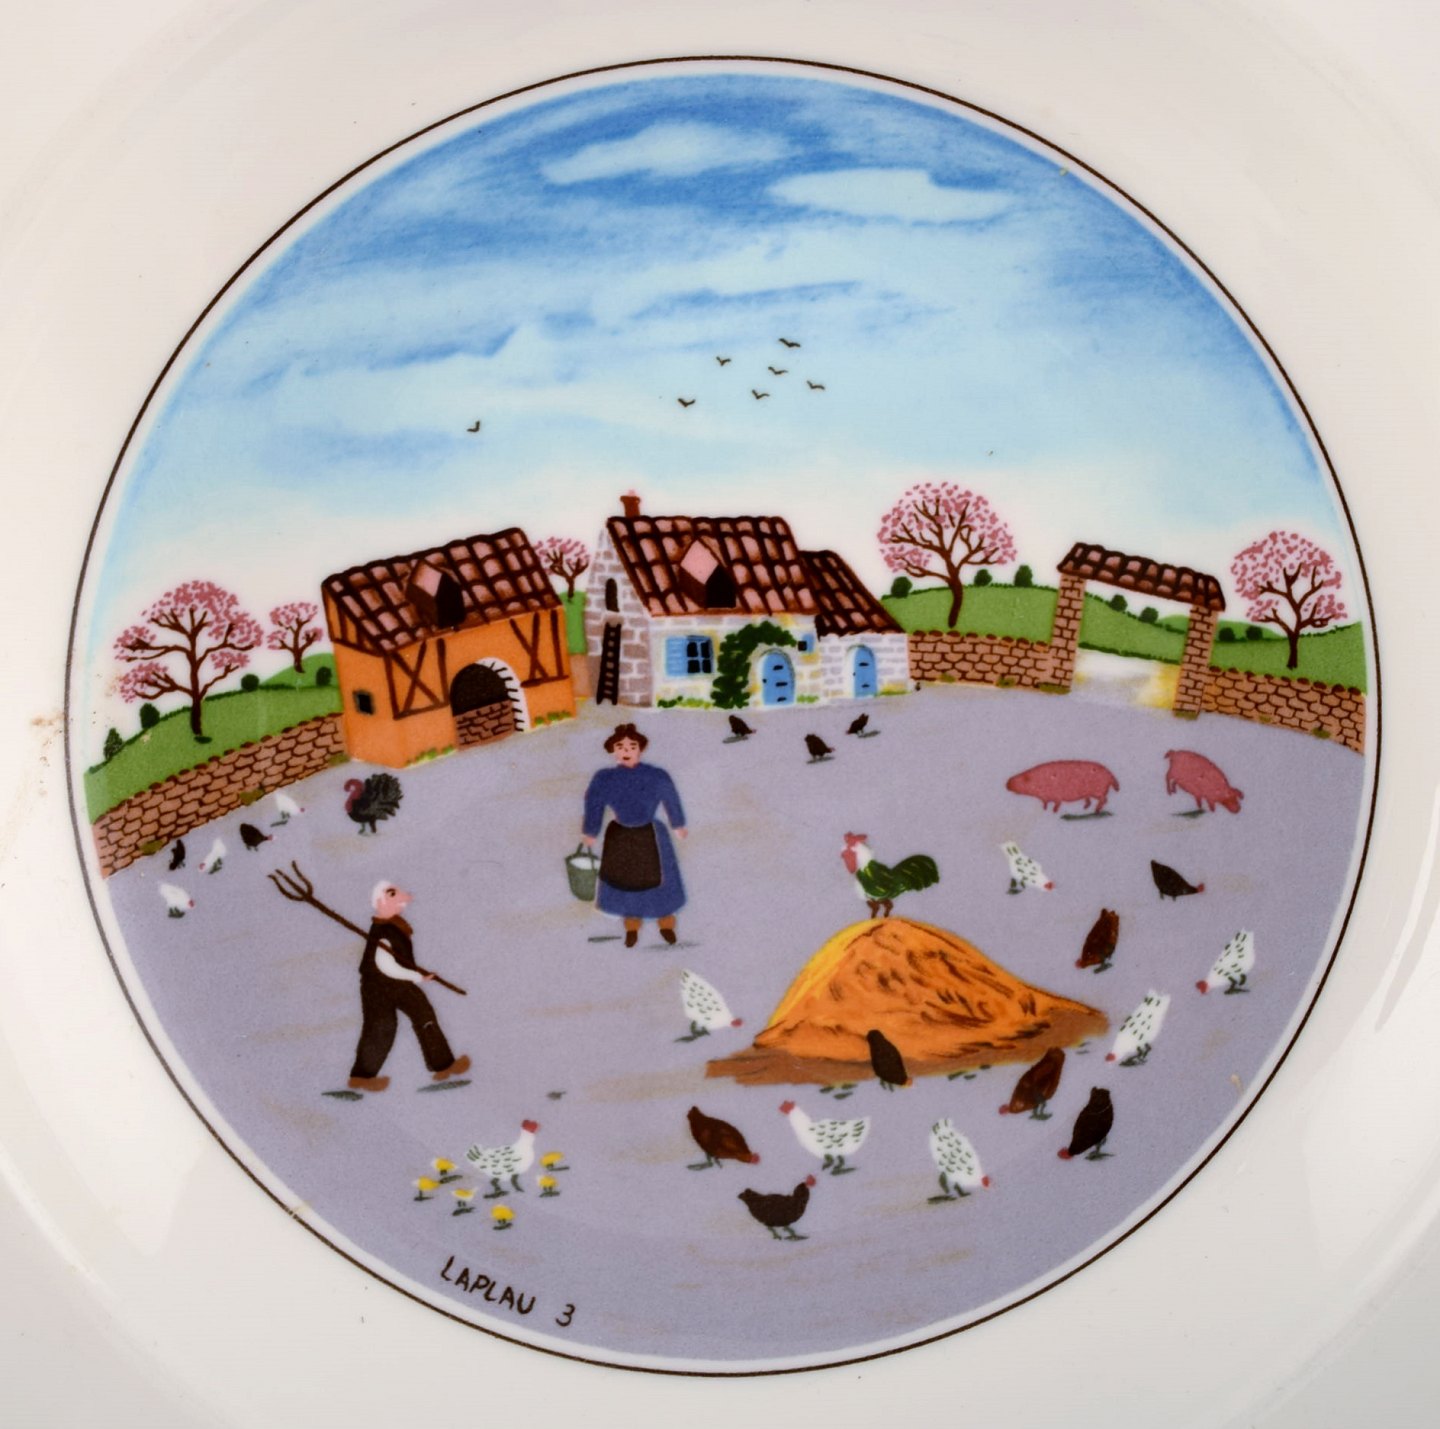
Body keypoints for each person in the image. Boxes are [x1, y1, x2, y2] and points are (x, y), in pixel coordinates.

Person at [348, 881, 470, 1092]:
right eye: (394, 896)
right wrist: (417, 977)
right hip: (377, 987)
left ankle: (444, 1065)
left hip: (398, 983)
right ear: (380, 902)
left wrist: (415, 976)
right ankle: (362, 1077)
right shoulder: (382, 932)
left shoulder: (395, 926)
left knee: (424, 1014)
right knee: (381, 1028)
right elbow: (386, 966)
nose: (402, 902)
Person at [581, 724, 688, 948]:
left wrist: (677, 824)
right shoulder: (605, 778)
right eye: (620, 746)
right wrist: (591, 831)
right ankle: (632, 928)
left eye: (632, 746)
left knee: (660, 883)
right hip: (620, 836)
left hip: (651, 834)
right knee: (625, 883)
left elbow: (670, 797)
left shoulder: (655, 775)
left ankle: (666, 925)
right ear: (613, 750)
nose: (626, 750)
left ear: (640, 749)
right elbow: (594, 804)